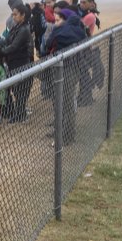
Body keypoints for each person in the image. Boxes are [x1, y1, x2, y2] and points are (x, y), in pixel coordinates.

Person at [46, 8, 88, 145]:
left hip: (61, 68)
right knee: (67, 103)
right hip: (74, 67)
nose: (56, 23)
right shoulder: (81, 32)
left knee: (65, 103)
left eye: (58, 20)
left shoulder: (60, 31)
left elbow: (47, 45)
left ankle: (65, 137)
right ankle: (67, 135)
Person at [0, 4, 34, 122]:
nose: (13, 17)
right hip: (14, 62)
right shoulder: (17, 27)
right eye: (12, 14)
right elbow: (9, 41)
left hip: (20, 63)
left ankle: (20, 115)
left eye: (15, 14)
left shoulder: (24, 29)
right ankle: (19, 113)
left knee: (20, 90)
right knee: (17, 90)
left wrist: (0, 52)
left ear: (23, 15)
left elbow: (14, 46)